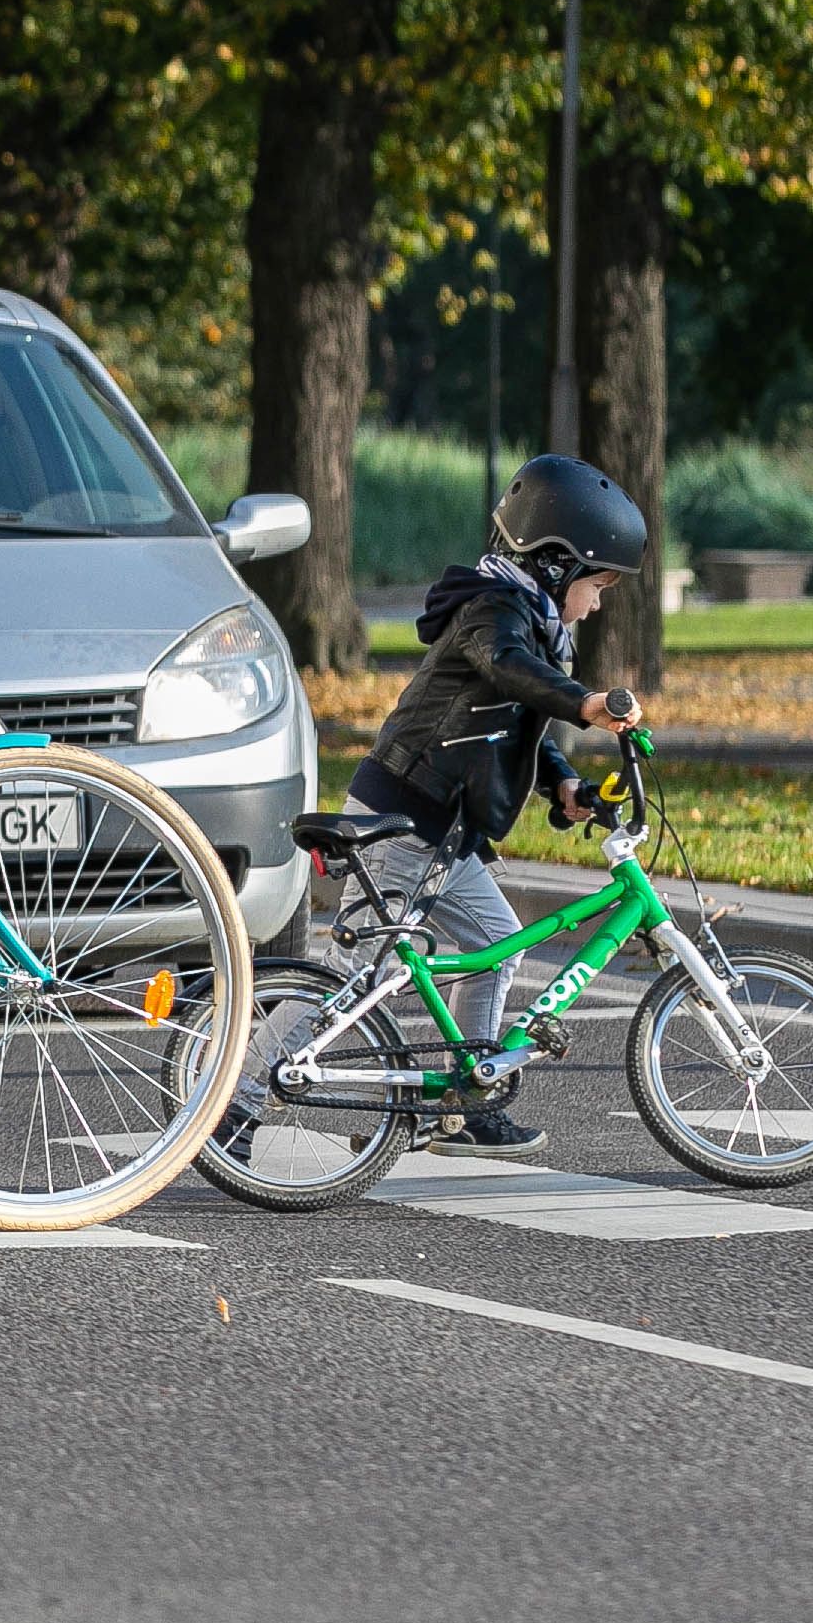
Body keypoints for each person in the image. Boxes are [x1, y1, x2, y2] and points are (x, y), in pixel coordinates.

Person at [254, 451, 644, 1161]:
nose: (597, 601)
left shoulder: (525, 618)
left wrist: (561, 782)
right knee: (352, 979)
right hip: (405, 822)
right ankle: (234, 1103)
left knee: (496, 949)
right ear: (557, 564)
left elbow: (512, 716)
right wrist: (585, 704)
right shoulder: (490, 609)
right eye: (597, 584)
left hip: (444, 832)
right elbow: (506, 670)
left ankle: (467, 1107)